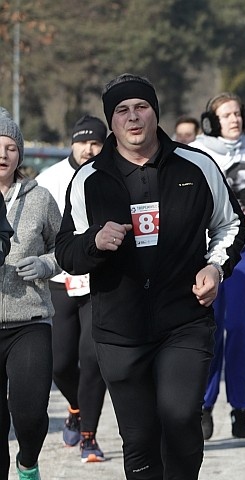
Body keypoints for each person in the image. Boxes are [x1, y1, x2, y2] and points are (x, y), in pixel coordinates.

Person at [55, 74, 245, 480]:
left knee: (181, 416)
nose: (133, 117)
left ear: (155, 113)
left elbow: (232, 225)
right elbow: (67, 253)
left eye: (142, 107)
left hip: (183, 319)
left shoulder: (196, 166)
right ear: (112, 120)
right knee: (139, 435)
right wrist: (97, 241)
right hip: (120, 327)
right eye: (122, 111)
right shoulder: (89, 179)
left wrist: (214, 266)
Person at [1, 107, 62, 480]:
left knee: (29, 410)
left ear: (20, 152)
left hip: (30, 319)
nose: (2, 153)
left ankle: (28, 462)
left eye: (9, 147)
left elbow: (67, 248)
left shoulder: (40, 197)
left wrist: (46, 262)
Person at [191, 93, 245, 439]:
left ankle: (240, 408)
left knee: (237, 328)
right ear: (212, 121)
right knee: (212, 330)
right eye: (227, 115)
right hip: (207, 250)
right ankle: (205, 404)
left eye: (238, 113)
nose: (234, 119)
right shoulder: (197, 150)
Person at [35, 114, 110, 462]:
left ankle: (89, 437)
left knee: (93, 358)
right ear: (72, 143)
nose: (88, 148)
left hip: (99, 282)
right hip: (60, 280)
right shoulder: (48, 181)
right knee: (60, 363)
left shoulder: (112, 174)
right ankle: (76, 407)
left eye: (95, 142)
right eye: (82, 142)